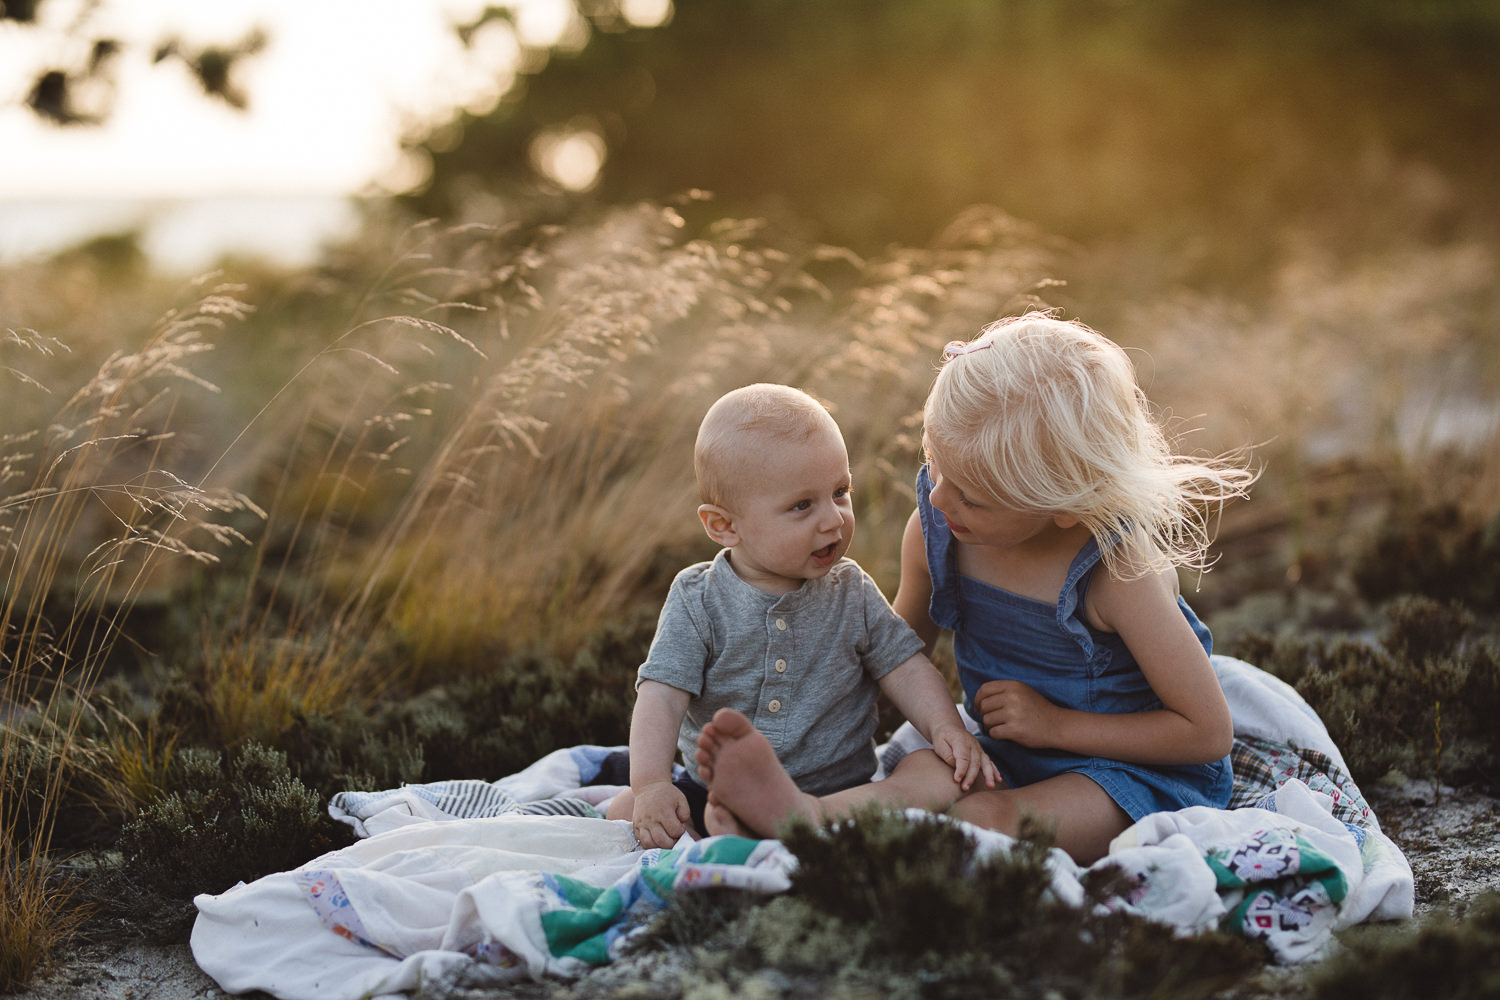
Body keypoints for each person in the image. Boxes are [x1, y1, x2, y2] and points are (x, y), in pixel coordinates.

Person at [695, 314, 1256, 864]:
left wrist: (1057, 726)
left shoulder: (1117, 572)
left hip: (1126, 772)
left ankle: (828, 845)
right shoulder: (940, 531)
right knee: (921, 779)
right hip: (1005, 750)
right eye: (936, 467)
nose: (939, 500)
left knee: (986, 823)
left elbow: (1205, 733)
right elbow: (891, 654)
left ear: (1066, 504)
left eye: (972, 496)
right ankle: (802, 817)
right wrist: (795, 723)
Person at [606, 383, 997, 848]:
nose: (833, 519)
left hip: (842, 792)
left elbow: (906, 668)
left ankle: (782, 825)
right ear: (724, 525)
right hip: (719, 791)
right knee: (626, 809)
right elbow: (662, 696)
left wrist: (946, 728)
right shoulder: (698, 599)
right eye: (802, 505)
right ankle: (726, 830)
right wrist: (651, 784)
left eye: (840, 492)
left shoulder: (851, 590)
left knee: (939, 775)